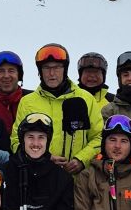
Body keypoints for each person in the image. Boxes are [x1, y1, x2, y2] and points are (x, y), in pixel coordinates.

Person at [12, 44, 103, 175]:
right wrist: (43, 157)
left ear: (65, 69)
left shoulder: (86, 99)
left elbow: (99, 137)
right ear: (40, 71)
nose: (52, 73)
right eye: (46, 68)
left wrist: (82, 160)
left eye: (57, 67)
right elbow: (16, 141)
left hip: (77, 182)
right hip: (39, 178)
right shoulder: (27, 102)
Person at [0, 50, 31, 135]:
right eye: (1, 71)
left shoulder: (33, 99)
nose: (6, 76)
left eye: (11, 71)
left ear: (19, 75)